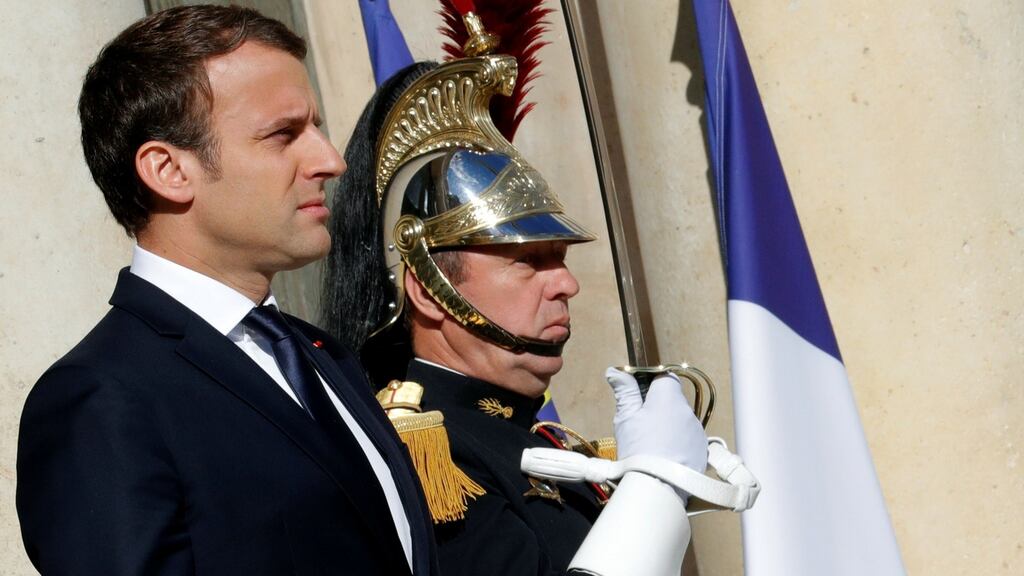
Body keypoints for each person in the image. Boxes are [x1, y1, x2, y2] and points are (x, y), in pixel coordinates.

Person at [16, 6, 437, 575]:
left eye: (317, 127)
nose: (330, 160)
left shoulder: (320, 354)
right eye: (282, 134)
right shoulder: (103, 398)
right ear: (169, 170)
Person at [321, 11, 709, 576]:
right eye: (530, 261)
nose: (567, 284)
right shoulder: (427, 454)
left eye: (562, 258)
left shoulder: (535, 439)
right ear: (429, 291)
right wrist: (654, 489)